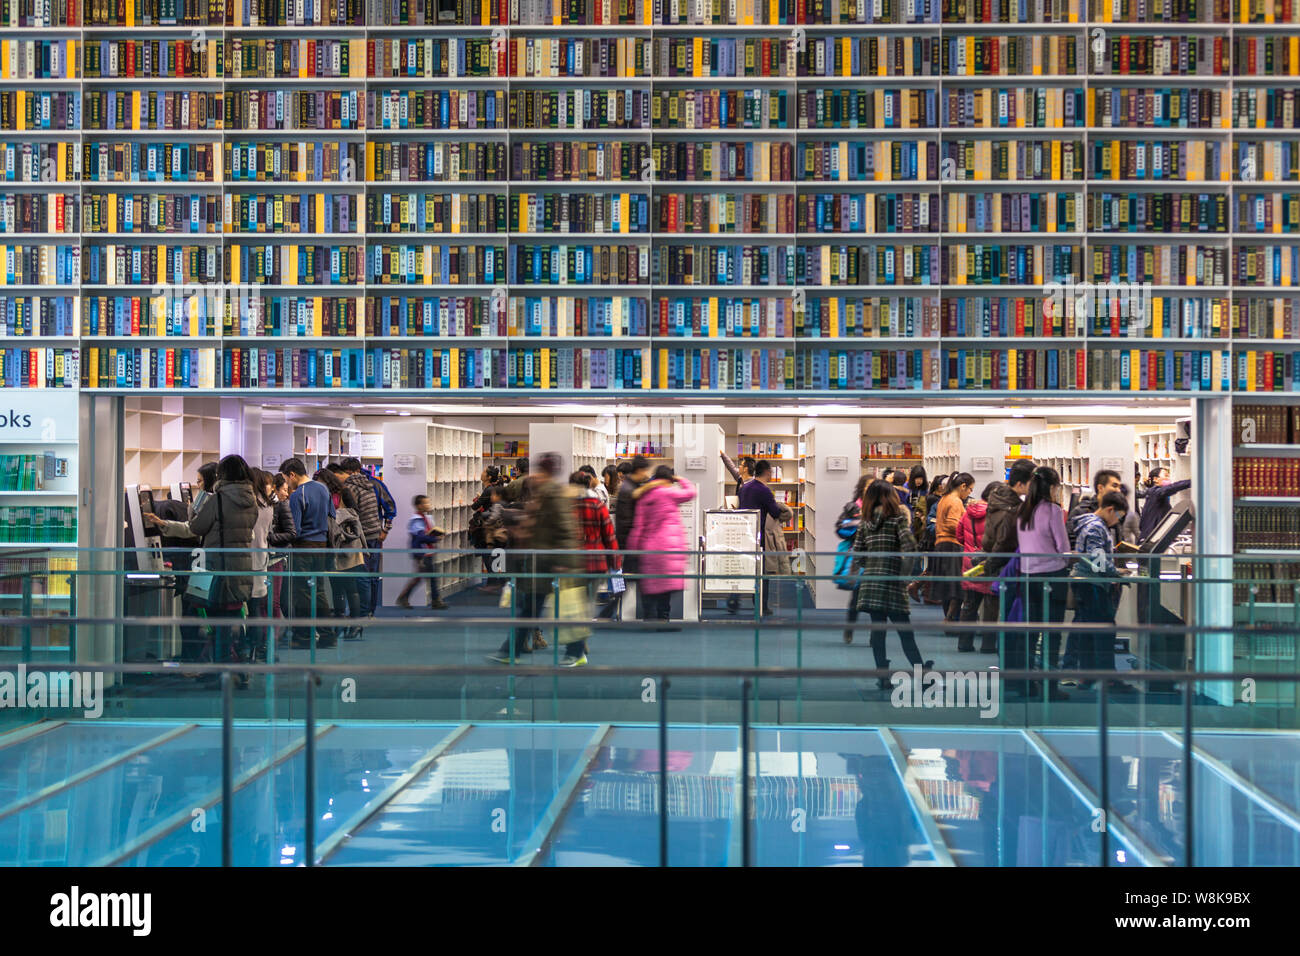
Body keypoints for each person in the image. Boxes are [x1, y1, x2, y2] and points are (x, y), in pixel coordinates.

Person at [148, 455, 259, 685]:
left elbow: (196, 527)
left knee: (217, 623)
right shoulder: (251, 500)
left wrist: (165, 525)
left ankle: (221, 672)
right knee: (231, 621)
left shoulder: (217, 500)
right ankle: (234, 669)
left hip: (217, 568)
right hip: (241, 568)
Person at [489, 452, 578, 663]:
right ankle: (511, 651)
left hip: (551, 561)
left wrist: (565, 562)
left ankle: (575, 652)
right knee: (531, 607)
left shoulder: (552, 493)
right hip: (540, 560)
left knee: (562, 610)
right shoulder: (544, 493)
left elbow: (565, 529)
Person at [851, 479, 933, 689]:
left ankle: (883, 676)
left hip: (871, 583)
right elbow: (910, 547)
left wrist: (869, 565)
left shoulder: (866, 522)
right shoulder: (896, 519)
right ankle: (921, 673)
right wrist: (904, 576)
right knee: (905, 631)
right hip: (892, 582)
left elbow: (857, 554)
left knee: (878, 632)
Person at [1014, 466, 1072, 700]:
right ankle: (1050, 687)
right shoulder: (1053, 511)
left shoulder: (1023, 510)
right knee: (1052, 634)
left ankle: (1026, 685)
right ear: (1051, 487)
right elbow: (1063, 548)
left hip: (1028, 577)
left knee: (1030, 632)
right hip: (1051, 577)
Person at [1070, 491, 1132, 693]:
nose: (1117, 521)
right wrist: (1115, 572)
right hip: (1092, 583)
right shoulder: (1096, 527)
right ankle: (1108, 679)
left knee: (1089, 631)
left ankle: (1087, 677)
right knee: (1105, 629)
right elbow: (1097, 560)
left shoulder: (1089, 524)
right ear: (1110, 509)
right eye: (1118, 516)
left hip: (1085, 581)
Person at [626, 466, 697, 629]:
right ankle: (663, 617)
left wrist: (633, 548)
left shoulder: (644, 496)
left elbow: (638, 526)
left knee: (649, 585)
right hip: (669, 548)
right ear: (668, 480)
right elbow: (691, 492)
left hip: (649, 547)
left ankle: (649, 618)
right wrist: (680, 479)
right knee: (665, 586)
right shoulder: (669, 493)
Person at [279, 457, 337, 649]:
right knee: (319, 590)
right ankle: (328, 634)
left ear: (292, 475)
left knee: (302, 593)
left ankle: (303, 636)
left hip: (303, 547)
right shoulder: (323, 489)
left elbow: (294, 529)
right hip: (322, 545)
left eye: (286, 479)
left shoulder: (298, 495)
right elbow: (332, 515)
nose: (287, 484)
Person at [569, 470, 619, 661]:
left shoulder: (568, 506)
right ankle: (583, 633)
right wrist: (615, 561)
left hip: (573, 561)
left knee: (574, 602)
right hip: (596, 560)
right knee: (588, 601)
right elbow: (609, 534)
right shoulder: (597, 505)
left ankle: (578, 640)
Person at [737, 458, 793, 617]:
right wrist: (780, 506)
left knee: (750, 570)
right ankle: (762, 605)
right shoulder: (764, 490)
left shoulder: (744, 488)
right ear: (768, 472)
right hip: (760, 536)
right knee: (763, 572)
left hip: (745, 534)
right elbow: (775, 512)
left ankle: (748, 601)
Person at [316, 467, 365, 638]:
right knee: (336, 587)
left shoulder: (344, 492)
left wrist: (337, 517)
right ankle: (339, 623)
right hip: (332, 546)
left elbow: (355, 516)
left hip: (348, 546)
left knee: (350, 587)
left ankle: (355, 624)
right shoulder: (323, 495)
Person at [340, 457, 387, 619]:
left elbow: (352, 514)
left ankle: (362, 612)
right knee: (371, 574)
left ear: (348, 472)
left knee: (361, 575)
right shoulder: (370, 484)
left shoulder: (350, 487)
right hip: (374, 532)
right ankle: (370, 611)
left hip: (362, 536)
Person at [955, 482, 997, 653]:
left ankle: (964, 643)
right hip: (987, 564)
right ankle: (987, 645)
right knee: (991, 607)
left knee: (969, 605)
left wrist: (970, 548)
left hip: (970, 563)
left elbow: (959, 536)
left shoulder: (967, 513)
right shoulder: (994, 516)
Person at [610, 455, 653, 619]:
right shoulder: (629, 490)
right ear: (640, 470)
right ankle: (648, 616)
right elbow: (627, 521)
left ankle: (610, 611)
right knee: (637, 580)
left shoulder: (630, 486)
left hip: (630, 542)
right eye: (645, 471)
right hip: (631, 543)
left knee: (631, 581)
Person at [933, 472, 973, 636]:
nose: (970, 493)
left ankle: (949, 619)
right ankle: (950, 619)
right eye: (970, 489)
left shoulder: (944, 498)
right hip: (952, 544)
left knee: (946, 586)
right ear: (963, 486)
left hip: (941, 544)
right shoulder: (955, 501)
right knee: (957, 586)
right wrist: (966, 527)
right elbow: (952, 524)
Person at [396, 495, 448, 610]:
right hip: (422, 553)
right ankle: (434, 600)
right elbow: (420, 537)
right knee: (427, 577)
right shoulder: (416, 520)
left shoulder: (425, 518)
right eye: (425, 503)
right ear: (419, 506)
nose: (428, 505)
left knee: (422, 576)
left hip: (427, 552)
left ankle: (405, 597)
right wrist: (435, 539)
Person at [839, 474, 868, 644]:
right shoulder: (853, 507)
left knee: (877, 600)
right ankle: (849, 629)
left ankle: (876, 635)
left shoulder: (882, 507)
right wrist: (858, 524)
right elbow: (840, 528)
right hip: (859, 556)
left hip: (876, 558)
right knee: (856, 598)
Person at [1067, 469, 1122, 549]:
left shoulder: (1115, 512)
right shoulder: (1081, 512)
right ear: (1100, 488)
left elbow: (1118, 538)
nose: (1118, 490)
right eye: (1114, 486)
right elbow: (1070, 544)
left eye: (1119, 487)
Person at [1138, 467, 1191, 541]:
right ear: (1155, 479)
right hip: (1151, 537)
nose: (1168, 478)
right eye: (1165, 475)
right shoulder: (1155, 492)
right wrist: (1190, 482)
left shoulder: (1152, 494)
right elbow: (1171, 488)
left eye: (1168, 476)